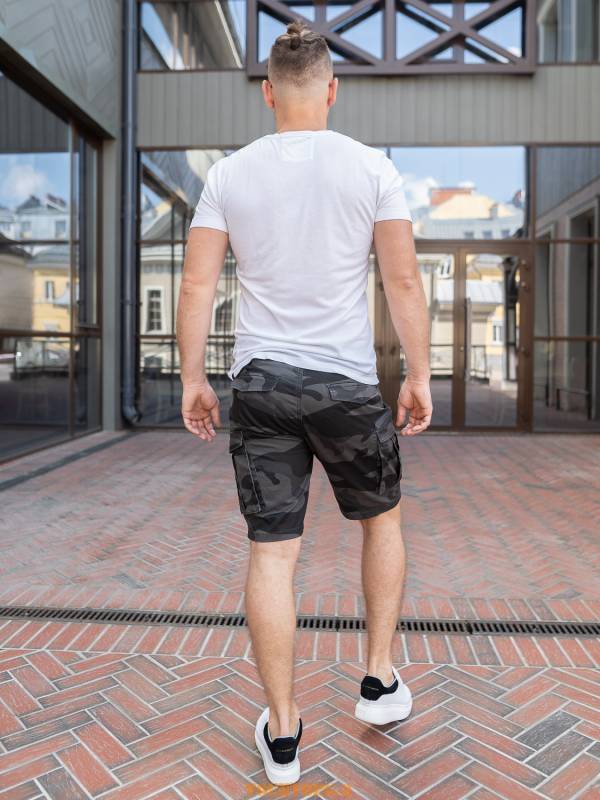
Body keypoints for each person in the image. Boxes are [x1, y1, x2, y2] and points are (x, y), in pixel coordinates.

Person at [176, 20, 432, 787]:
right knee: (381, 521)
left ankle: (283, 735)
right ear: (331, 89)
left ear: (267, 93)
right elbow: (403, 281)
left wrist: (192, 379)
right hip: (346, 384)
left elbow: (196, 285)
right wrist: (418, 374)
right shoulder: (371, 168)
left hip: (262, 386)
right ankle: (378, 679)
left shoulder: (229, 175)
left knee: (272, 552)